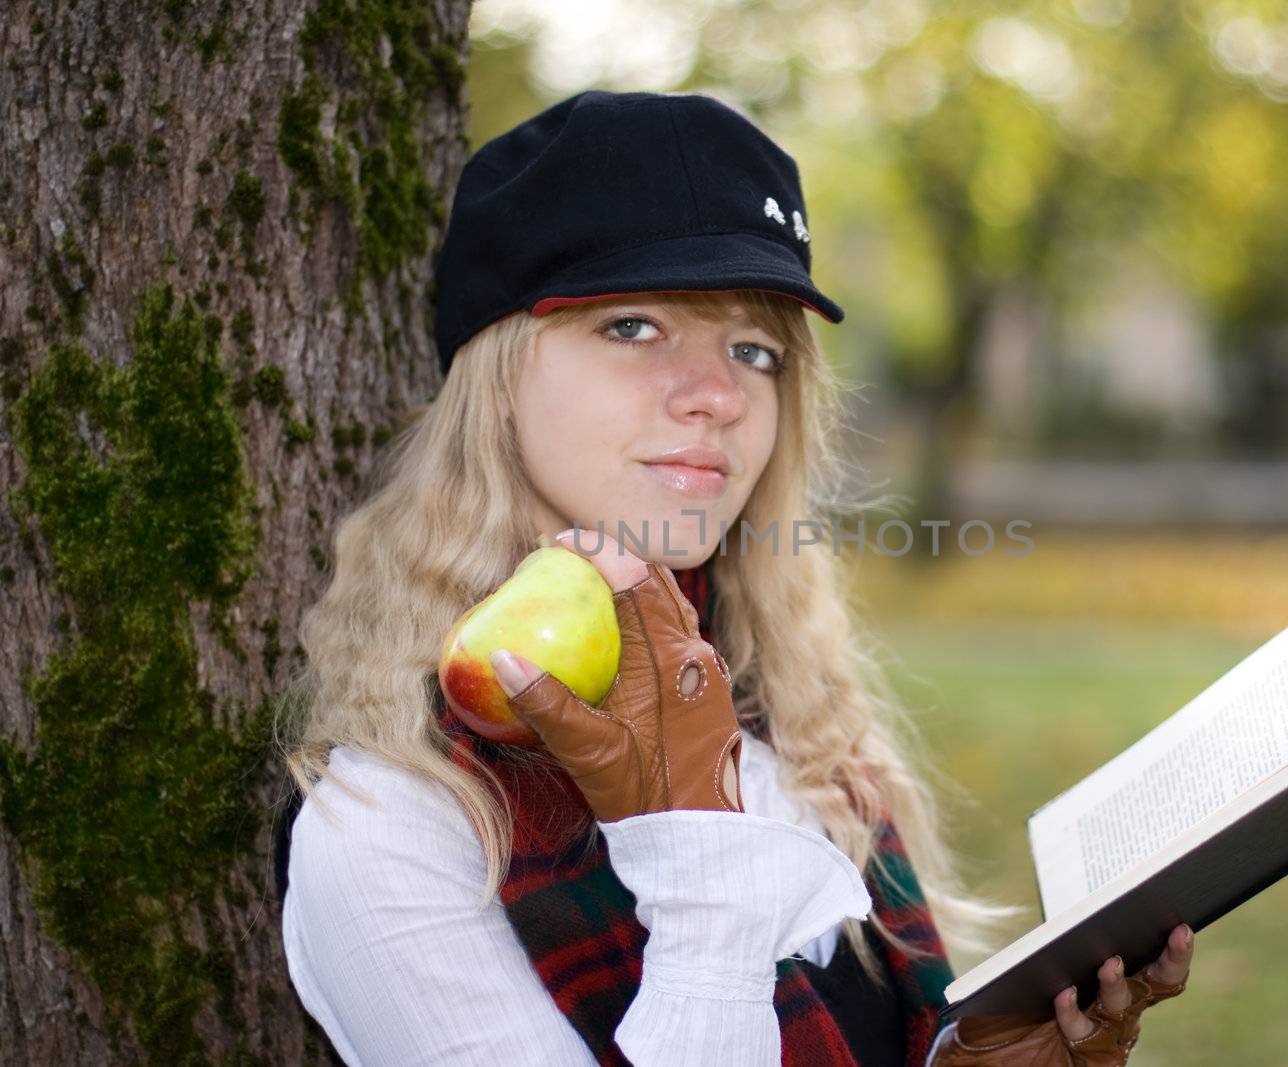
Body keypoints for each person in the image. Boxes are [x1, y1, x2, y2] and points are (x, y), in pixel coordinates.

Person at [273, 88, 1195, 1066]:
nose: (716, 394)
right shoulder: (394, 822)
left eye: (754, 349)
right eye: (632, 325)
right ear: (495, 374)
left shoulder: (795, 726)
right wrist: (695, 847)